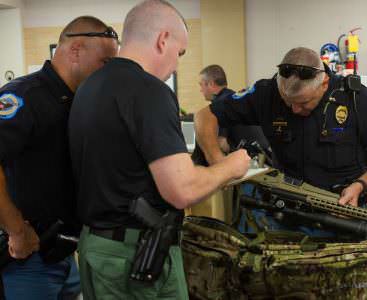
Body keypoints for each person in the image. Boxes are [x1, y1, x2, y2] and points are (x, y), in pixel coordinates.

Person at [68, 1, 250, 299]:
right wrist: (231, 167)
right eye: (179, 53)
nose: (176, 65)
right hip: (134, 255)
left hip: (99, 247)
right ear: (162, 39)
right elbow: (181, 190)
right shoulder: (148, 91)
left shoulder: (90, 87)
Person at [195, 47, 367, 231]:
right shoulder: (267, 93)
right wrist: (217, 162)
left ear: (324, 84)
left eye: (303, 103)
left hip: (341, 217)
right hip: (284, 216)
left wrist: (360, 185)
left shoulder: (358, 100)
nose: (294, 110)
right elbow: (205, 116)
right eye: (288, 102)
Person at [0, 16, 119, 300]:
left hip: (64, 251)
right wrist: (16, 230)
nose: (108, 72)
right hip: (26, 257)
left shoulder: (78, 100)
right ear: (75, 50)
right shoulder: (24, 96)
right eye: (105, 62)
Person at [192, 64, 269, 165]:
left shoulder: (219, 108)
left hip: (249, 164)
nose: (200, 90)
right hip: (263, 159)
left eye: (201, 85)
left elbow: (221, 144)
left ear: (210, 84)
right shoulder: (237, 99)